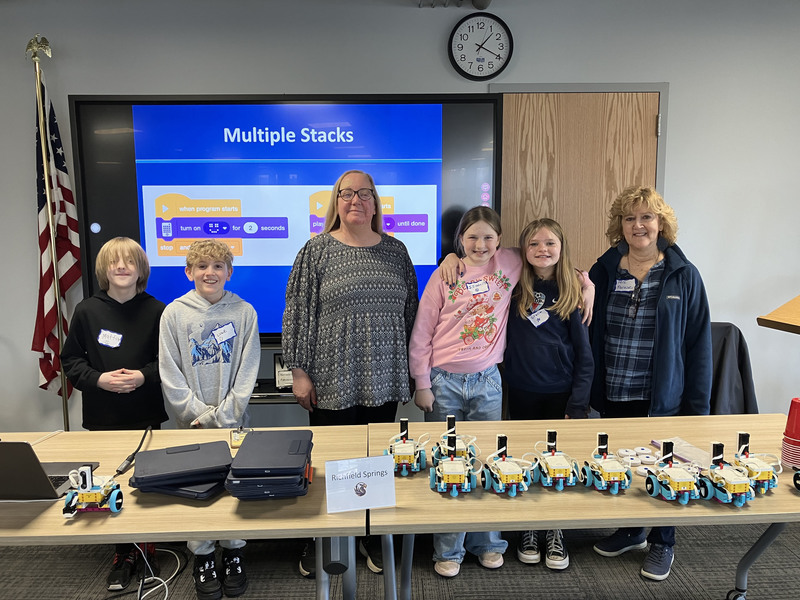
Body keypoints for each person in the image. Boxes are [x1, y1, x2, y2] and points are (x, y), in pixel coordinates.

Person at [282, 169, 418, 577]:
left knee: (376, 460)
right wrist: (299, 372)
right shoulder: (316, 250)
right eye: (347, 193)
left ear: (376, 202)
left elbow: (412, 314)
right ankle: (324, 535)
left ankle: (369, 532)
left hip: (385, 376)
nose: (356, 200)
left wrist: (412, 371)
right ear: (336, 202)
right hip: (331, 376)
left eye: (365, 193)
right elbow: (297, 312)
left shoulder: (397, 251)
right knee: (331, 462)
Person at [588, 185, 712, 581]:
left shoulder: (683, 275)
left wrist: (698, 408)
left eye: (647, 217)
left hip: (662, 395)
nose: (638, 225)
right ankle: (632, 529)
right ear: (619, 225)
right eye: (629, 218)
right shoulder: (604, 269)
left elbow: (698, 344)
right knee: (624, 462)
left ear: (661, 224)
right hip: (615, 387)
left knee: (666, 468)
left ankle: (663, 541)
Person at [408, 206, 517, 577]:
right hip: (444, 382)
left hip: (487, 380)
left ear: (499, 239)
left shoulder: (510, 264)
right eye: (471, 237)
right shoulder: (445, 274)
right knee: (448, 464)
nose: (480, 244)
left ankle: (487, 542)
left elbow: (551, 255)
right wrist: (422, 384)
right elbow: (421, 334)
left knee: (488, 461)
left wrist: (586, 283)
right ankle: (448, 550)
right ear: (459, 240)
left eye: (488, 236)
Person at [61, 236, 167, 591]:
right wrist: (99, 379)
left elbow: (169, 362)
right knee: (109, 485)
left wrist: (142, 376)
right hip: (103, 418)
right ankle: (123, 554)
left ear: (141, 270)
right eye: (114, 262)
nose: (121, 267)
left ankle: (148, 546)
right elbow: (71, 361)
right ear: (104, 270)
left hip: (147, 414)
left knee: (147, 484)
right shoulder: (87, 311)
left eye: (129, 262)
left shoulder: (157, 310)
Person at [159, 239, 260, 600]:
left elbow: (248, 370)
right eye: (202, 266)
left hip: (236, 422)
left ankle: (233, 551)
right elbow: (169, 372)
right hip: (192, 425)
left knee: (235, 485)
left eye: (218, 266)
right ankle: (203, 556)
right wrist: (198, 415)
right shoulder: (174, 314)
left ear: (228, 272)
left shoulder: (245, 312)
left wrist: (227, 414)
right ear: (189, 272)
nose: (210, 272)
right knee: (197, 488)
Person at [503, 218, 593, 571]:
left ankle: (555, 529)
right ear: (523, 251)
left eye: (550, 243)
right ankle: (528, 527)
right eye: (534, 244)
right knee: (524, 459)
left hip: (561, 396)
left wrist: (578, 404)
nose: (543, 250)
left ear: (562, 247)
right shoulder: (511, 287)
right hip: (522, 392)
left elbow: (585, 358)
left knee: (558, 464)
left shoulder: (573, 291)